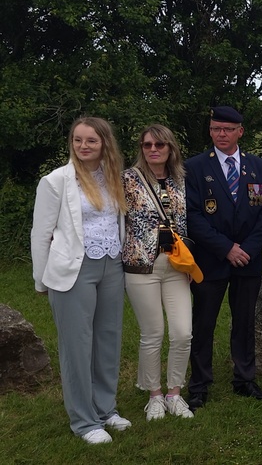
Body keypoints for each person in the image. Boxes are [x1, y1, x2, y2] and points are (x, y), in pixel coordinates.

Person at [31, 117, 132, 444]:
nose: (83, 146)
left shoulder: (112, 177)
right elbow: (41, 233)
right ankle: (84, 421)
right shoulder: (56, 181)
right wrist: (40, 279)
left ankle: (105, 409)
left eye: (91, 140)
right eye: (77, 140)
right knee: (77, 346)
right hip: (74, 269)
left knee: (107, 339)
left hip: (111, 265)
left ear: (104, 143)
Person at [185, 106, 262, 408]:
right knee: (204, 322)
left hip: (248, 260)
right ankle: (199, 384)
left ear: (240, 131)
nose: (221, 135)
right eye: (215, 129)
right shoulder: (194, 168)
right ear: (210, 131)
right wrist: (226, 248)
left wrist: (246, 249)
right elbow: (193, 216)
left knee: (245, 321)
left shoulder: (259, 168)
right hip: (211, 259)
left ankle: (244, 378)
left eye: (227, 129)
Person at [122, 124, 195, 421]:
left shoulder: (182, 179)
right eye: (147, 145)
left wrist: (190, 262)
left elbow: (186, 221)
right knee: (152, 333)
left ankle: (174, 392)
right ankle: (154, 395)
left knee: (182, 332)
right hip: (141, 266)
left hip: (176, 265)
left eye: (159, 145)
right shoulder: (127, 179)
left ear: (170, 148)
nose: (153, 150)